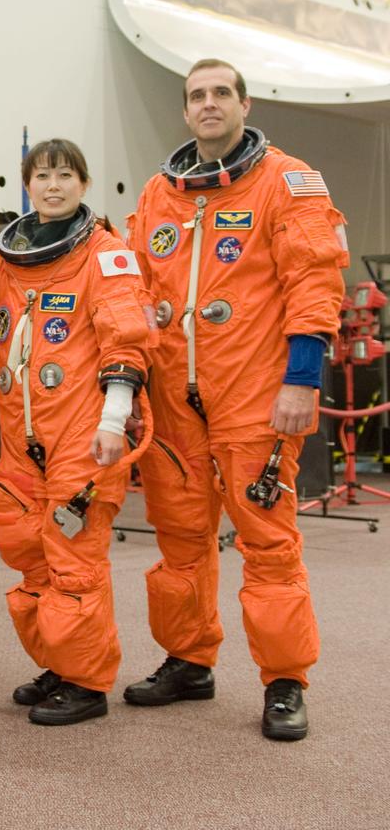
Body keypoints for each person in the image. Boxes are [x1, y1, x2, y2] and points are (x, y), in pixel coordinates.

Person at [124, 59, 347, 741]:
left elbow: (314, 281)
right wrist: (129, 385)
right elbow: (133, 294)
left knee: (267, 541)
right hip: (173, 396)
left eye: (222, 92)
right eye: (198, 96)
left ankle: (284, 680)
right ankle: (189, 660)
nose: (210, 104)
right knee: (180, 540)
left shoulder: (287, 180)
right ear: (187, 112)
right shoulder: (162, 193)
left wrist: (302, 377)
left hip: (254, 392)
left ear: (244, 104)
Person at [0, 138, 155, 725]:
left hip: (83, 431)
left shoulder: (106, 255)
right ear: (27, 185)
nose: (52, 186)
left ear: (84, 184)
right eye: (41, 176)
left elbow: (126, 341)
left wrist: (113, 422)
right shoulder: (8, 262)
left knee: (74, 560)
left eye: (64, 175)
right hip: (24, 437)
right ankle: (60, 663)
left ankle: (87, 684)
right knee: (32, 556)